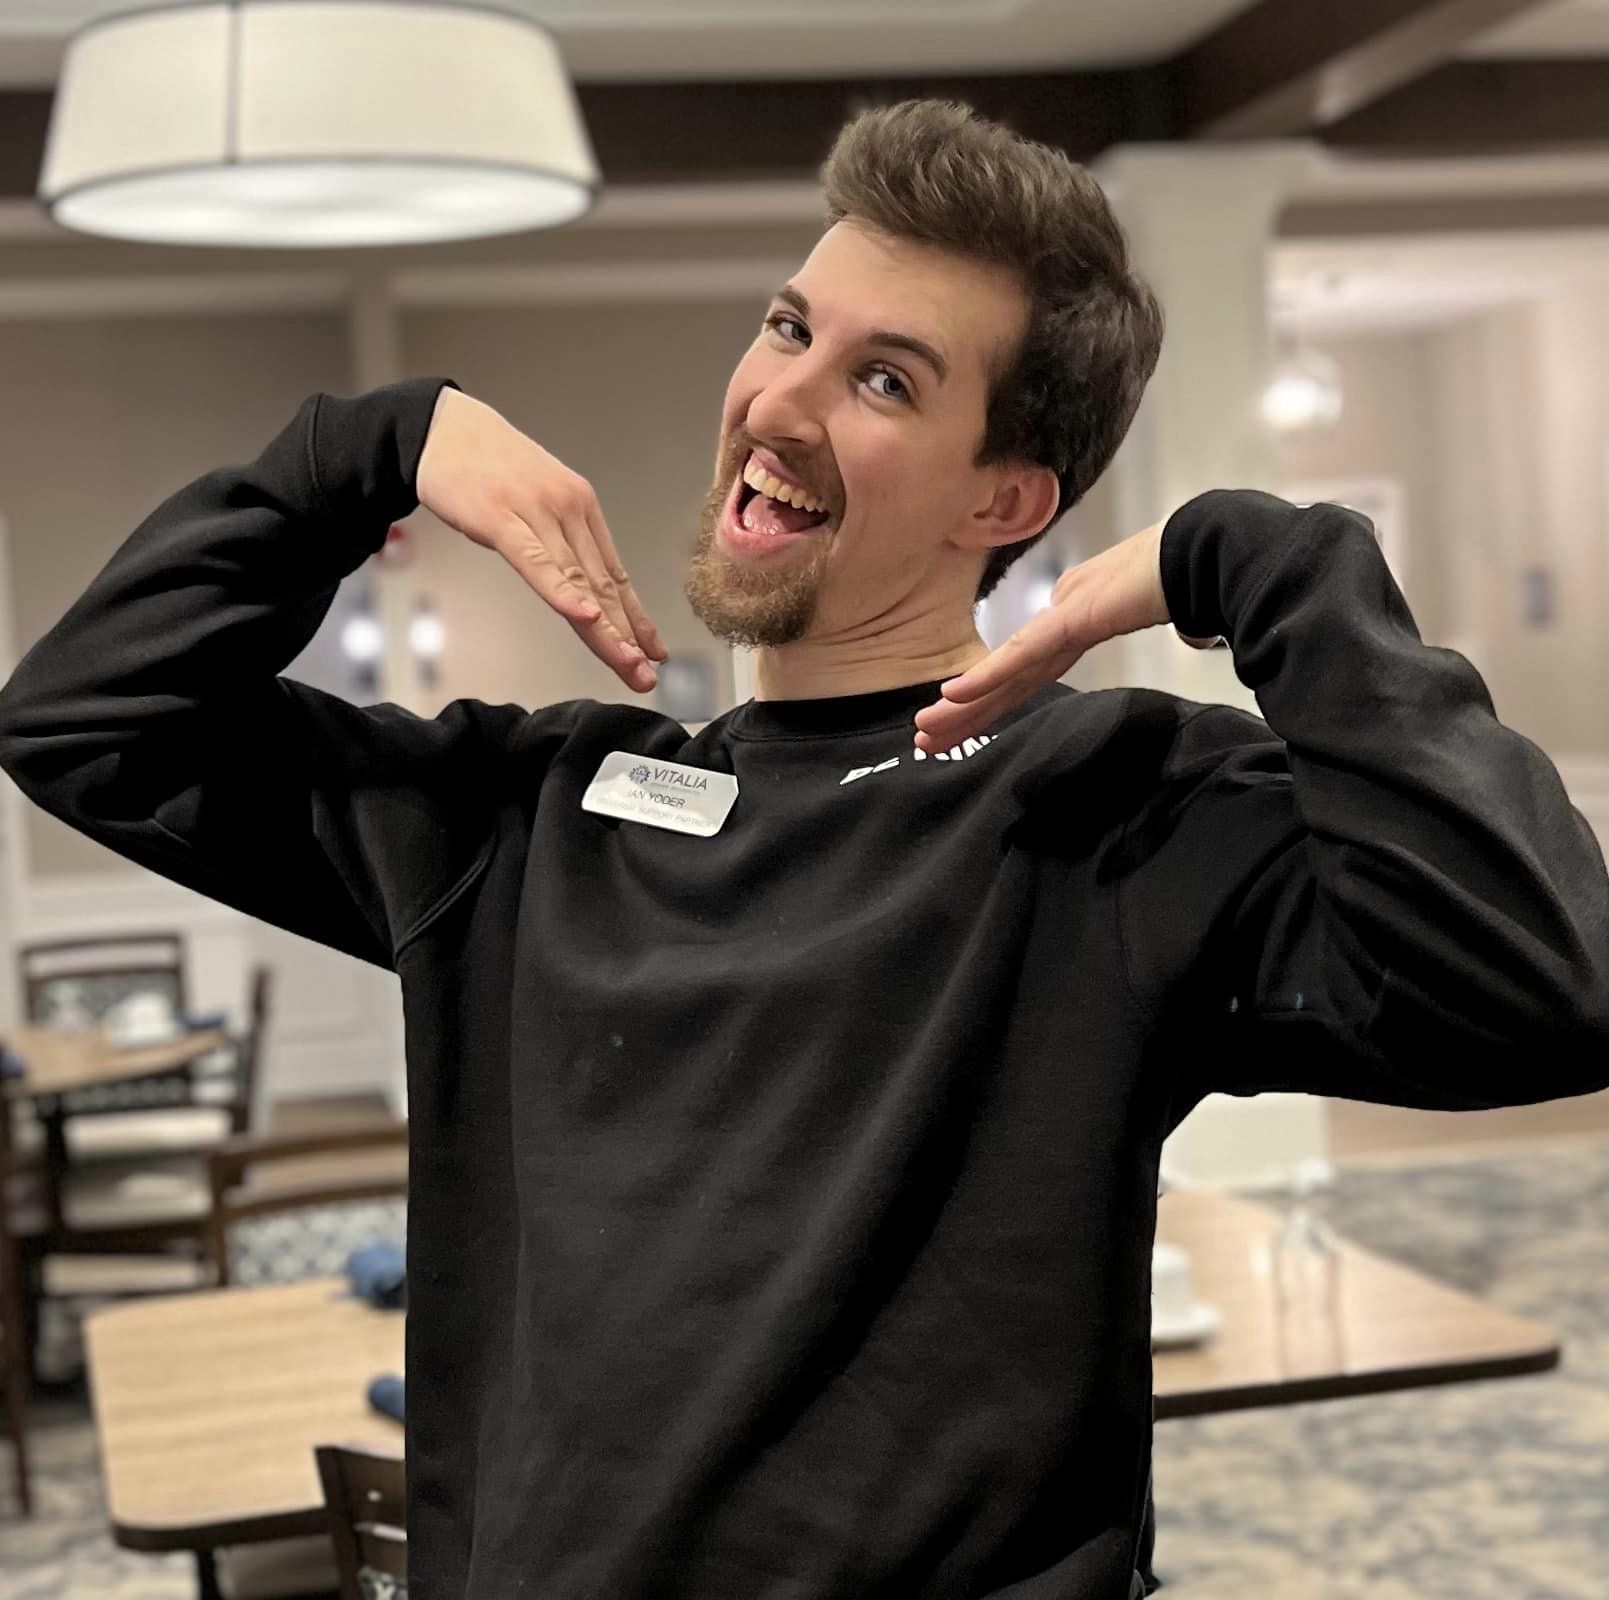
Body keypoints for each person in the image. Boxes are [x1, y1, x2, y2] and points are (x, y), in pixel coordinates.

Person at [0, 96, 1605, 1600]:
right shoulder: (526, 816)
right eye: (788, 329)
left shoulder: (1106, 809)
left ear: (1007, 496)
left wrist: (1268, 565)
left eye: (885, 379)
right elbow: (85, 722)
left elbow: (1546, 987)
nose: (778, 401)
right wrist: (356, 453)